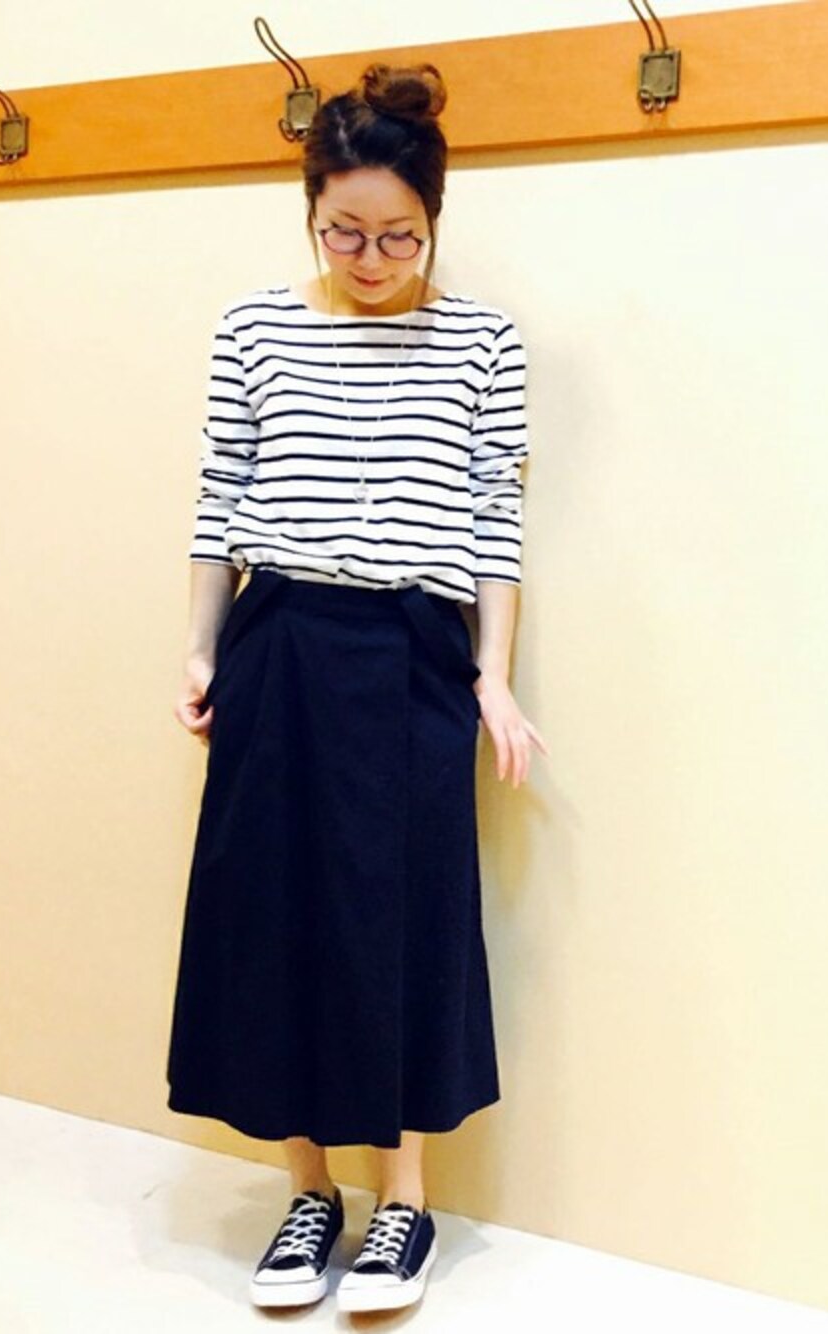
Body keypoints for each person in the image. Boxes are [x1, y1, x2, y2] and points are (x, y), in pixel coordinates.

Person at [165, 60, 547, 1314]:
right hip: (278, 636)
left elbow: (493, 519)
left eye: (398, 235)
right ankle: (308, 1191)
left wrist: (492, 677)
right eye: (344, 231)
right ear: (310, 211)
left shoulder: (484, 340)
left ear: (432, 220)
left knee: (407, 917)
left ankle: (405, 1204)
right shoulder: (252, 328)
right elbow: (222, 494)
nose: (371, 257)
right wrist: (201, 649)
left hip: (412, 649)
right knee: (272, 910)